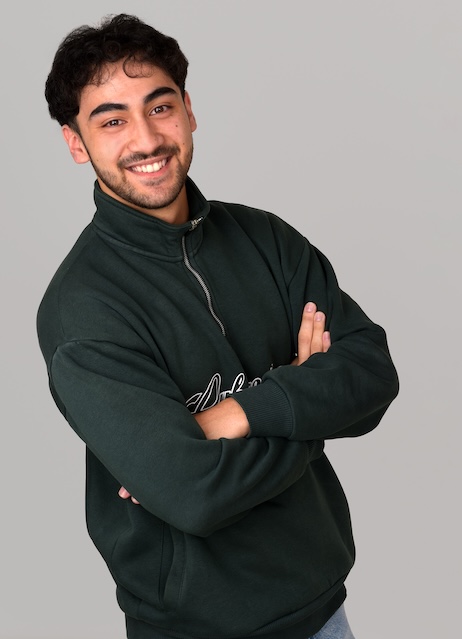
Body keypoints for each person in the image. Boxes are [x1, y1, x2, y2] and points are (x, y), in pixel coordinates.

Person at [37, 13, 399, 639]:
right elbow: (194, 495)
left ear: (189, 109)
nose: (147, 138)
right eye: (112, 120)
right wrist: (308, 402)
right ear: (76, 143)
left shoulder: (266, 239)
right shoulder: (83, 309)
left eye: (160, 107)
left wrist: (240, 413)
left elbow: (371, 375)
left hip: (323, 611)